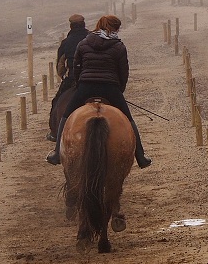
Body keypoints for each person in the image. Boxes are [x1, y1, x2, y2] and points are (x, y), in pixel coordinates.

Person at [45, 15, 152, 169]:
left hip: (86, 86)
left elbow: (77, 65)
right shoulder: (119, 46)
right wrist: (118, 90)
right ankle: (140, 156)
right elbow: (123, 72)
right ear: (114, 28)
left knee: (66, 115)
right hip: (110, 87)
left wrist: (82, 82)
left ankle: (56, 153)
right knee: (129, 119)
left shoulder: (84, 43)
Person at [46, 14, 90, 141]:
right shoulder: (93, 38)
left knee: (57, 102)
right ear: (84, 25)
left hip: (73, 79)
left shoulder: (66, 43)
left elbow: (60, 65)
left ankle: (55, 134)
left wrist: (62, 75)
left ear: (71, 26)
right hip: (94, 80)